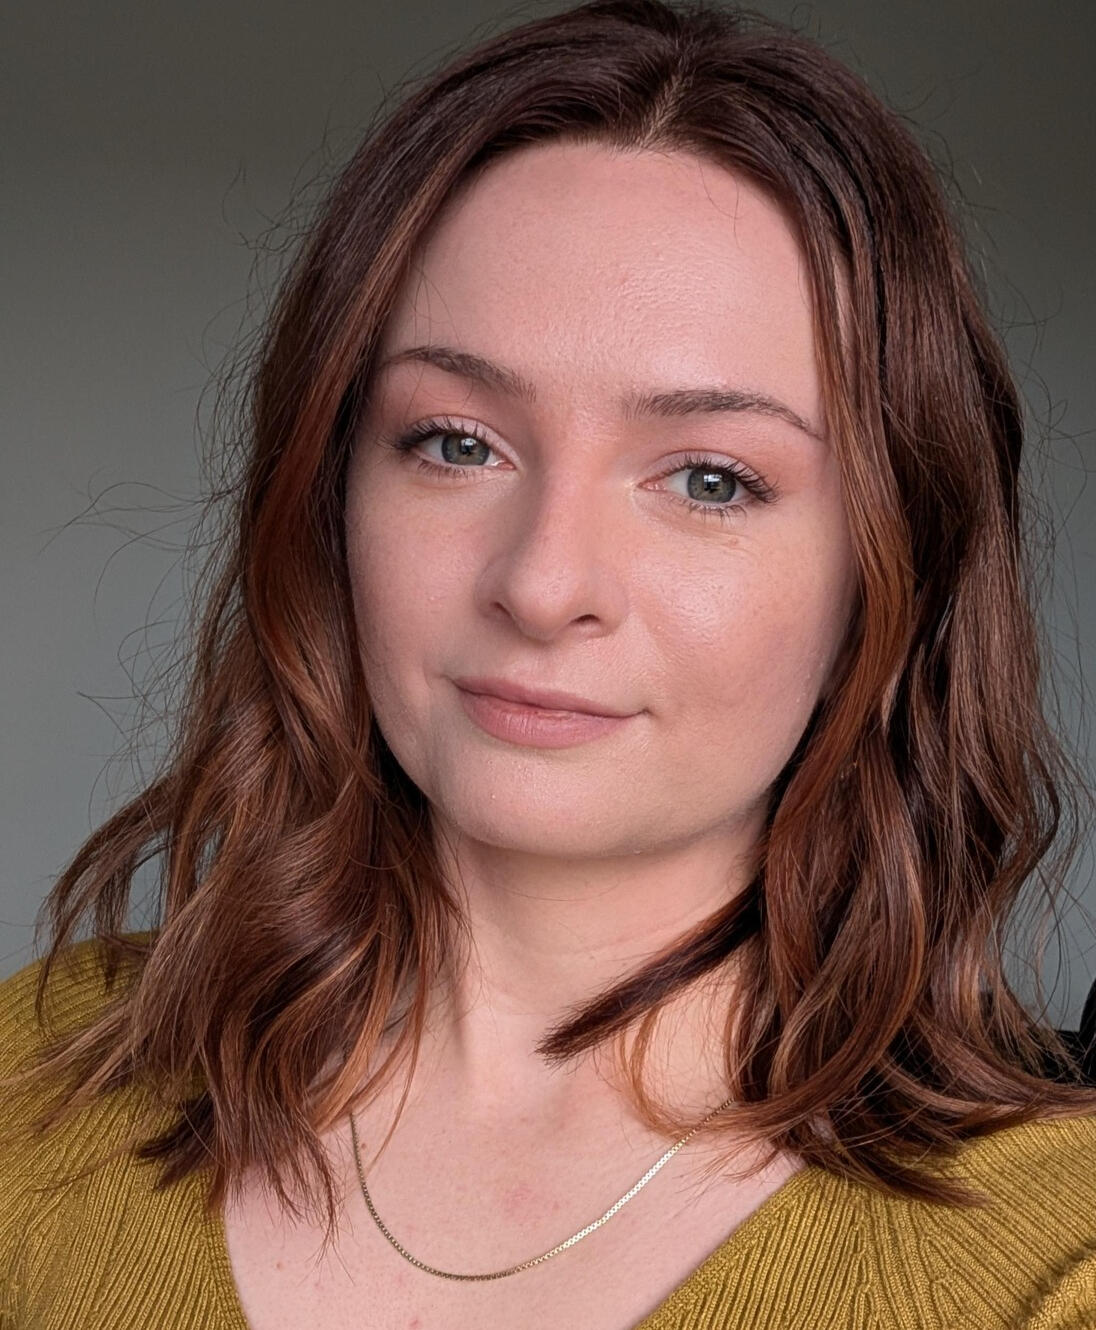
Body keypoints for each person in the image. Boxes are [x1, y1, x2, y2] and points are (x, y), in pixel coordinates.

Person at [2, 0, 1096, 1325]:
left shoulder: (1052, 1262)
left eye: (709, 476)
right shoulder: (37, 1075)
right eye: (458, 441)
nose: (541, 581)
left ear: (886, 576)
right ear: (330, 490)